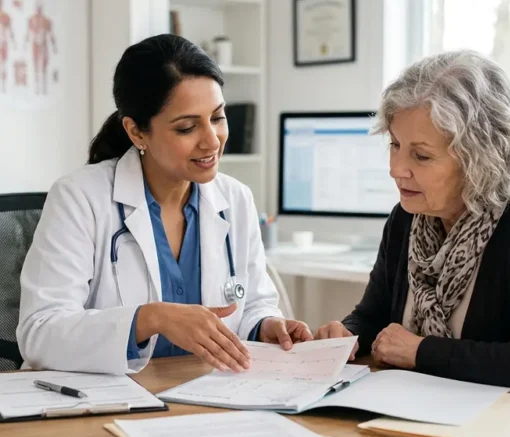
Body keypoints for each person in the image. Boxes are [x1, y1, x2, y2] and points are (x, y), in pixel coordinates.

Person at [314, 50, 510, 402]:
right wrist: (348, 335)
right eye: (395, 145)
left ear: (478, 158)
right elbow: (373, 315)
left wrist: (421, 351)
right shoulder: (405, 218)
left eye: (421, 155)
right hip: (436, 405)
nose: (396, 169)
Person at [17, 34, 312, 375]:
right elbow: (40, 332)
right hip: (109, 397)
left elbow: (254, 305)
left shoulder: (235, 199)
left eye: (217, 117)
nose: (212, 140)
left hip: (204, 393)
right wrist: (151, 318)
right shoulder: (80, 198)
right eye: (187, 127)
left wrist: (266, 326)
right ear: (137, 132)